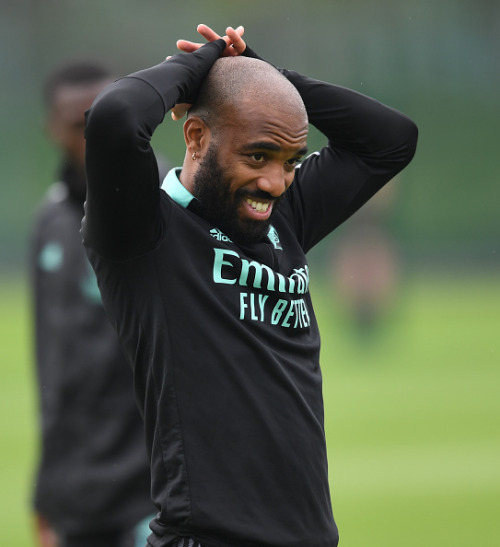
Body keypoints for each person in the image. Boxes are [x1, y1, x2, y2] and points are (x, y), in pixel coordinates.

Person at [83, 24, 418, 547]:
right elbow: (115, 118)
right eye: (258, 157)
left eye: (290, 162)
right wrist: (201, 66)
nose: (276, 183)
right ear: (197, 138)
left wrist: (263, 75)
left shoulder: (282, 217)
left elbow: (391, 140)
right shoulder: (141, 233)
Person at [30, 60, 156, 547]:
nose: (93, 137)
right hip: (79, 495)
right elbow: (52, 369)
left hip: (152, 491)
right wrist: (47, 494)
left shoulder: (167, 202)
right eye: (77, 126)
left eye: (102, 118)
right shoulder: (50, 220)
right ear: (51, 131)